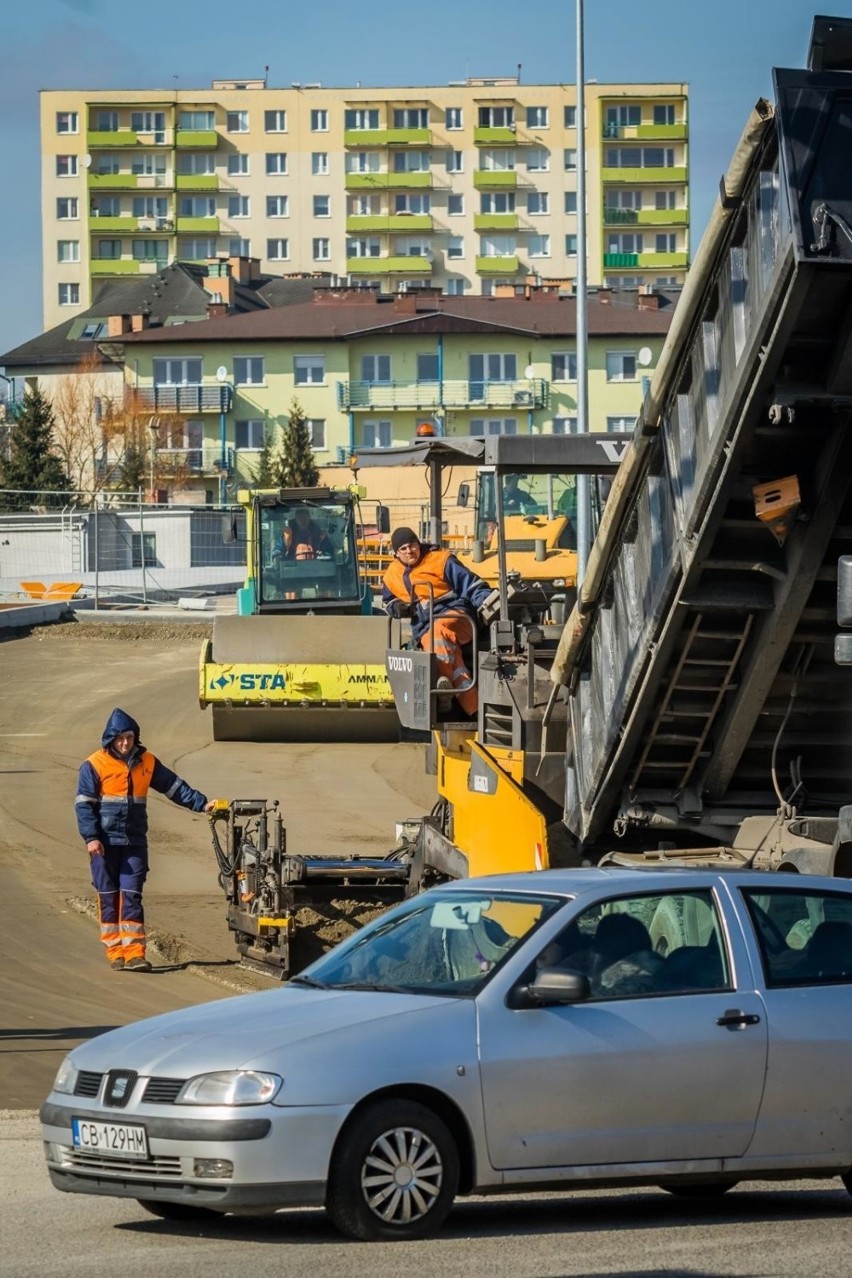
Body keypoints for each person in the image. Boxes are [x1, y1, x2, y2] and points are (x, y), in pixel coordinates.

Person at [75, 708, 214, 971]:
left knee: (131, 894)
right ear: (110, 739)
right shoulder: (93, 765)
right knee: (108, 895)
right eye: (120, 738)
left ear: (135, 737)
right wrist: (91, 838)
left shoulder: (147, 762)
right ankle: (115, 951)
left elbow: (175, 787)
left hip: (134, 842)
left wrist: (203, 804)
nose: (125, 743)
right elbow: (84, 805)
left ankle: (135, 952)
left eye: (129, 737)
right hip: (103, 844)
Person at [382, 526, 492, 716]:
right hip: (424, 627)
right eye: (404, 549)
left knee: (439, 631)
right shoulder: (391, 574)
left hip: (457, 616)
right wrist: (396, 607)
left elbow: (470, 583)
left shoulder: (440, 560)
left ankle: (441, 684)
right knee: (452, 657)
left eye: (412, 545)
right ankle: (474, 709)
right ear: (396, 553)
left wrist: (487, 601)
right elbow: (388, 601)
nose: (410, 551)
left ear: (419, 543)